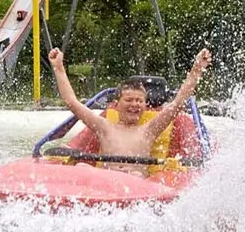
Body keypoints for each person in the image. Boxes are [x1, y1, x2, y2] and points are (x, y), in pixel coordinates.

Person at [48, 47, 211, 177]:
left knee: (133, 173)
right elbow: (72, 102)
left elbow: (177, 103)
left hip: (136, 184)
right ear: (116, 104)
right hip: (105, 183)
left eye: (139, 101)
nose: (135, 104)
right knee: (82, 167)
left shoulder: (148, 130)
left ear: (145, 106)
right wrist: (58, 67)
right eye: (129, 100)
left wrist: (197, 69)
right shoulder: (104, 127)